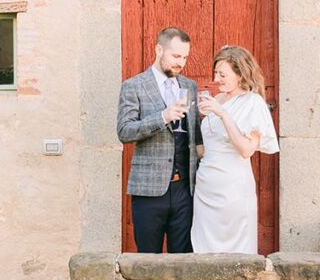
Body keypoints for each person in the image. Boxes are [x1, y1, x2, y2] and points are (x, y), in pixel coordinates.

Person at [116, 27, 202, 253]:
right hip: (148, 190)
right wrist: (162, 117)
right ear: (158, 50)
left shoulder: (189, 86)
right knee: (147, 259)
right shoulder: (133, 86)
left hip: (185, 189)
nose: (181, 63)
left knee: (183, 259)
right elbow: (124, 131)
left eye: (185, 57)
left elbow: (196, 136)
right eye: (176, 56)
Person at [191, 45, 279, 254]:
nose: (217, 78)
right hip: (205, 187)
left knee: (235, 250)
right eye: (215, 73)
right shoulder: (216, 99)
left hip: (232, 190)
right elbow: (205, 148)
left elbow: (246, 150)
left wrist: (223, 114)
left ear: (240, 74)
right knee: (203, 249)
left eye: (222, 74)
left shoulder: (252, 102)